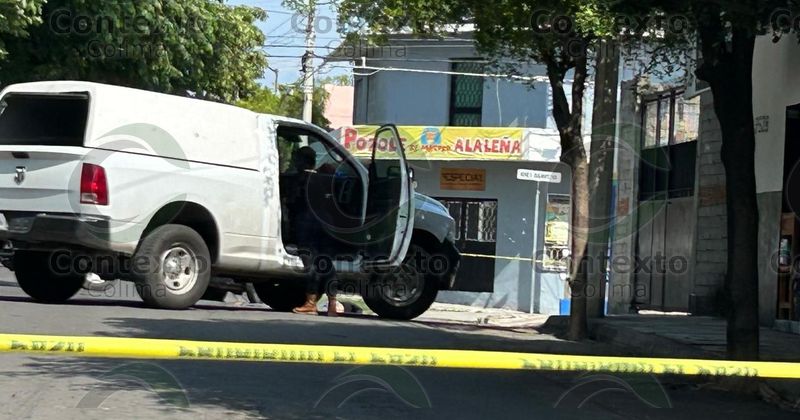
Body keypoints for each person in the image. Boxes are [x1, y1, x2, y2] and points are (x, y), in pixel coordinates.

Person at [288, 146, 338, 316]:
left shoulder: (300, 179)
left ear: (302, 161)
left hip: (307, 224)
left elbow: (292, 203)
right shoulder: (323, 178)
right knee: (327, 264)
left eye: (296, 159)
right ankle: (332, 304)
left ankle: (310, 303)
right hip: (326, 223)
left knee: (311, 263)